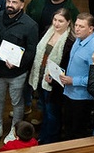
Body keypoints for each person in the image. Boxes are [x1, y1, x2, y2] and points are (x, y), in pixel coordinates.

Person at [0, 0, 38, 144]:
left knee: (17, 102)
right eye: (9, 1)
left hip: (17, 72)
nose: (10, 5)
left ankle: (14, 129)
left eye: (14, 2)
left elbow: (31, 51)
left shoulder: (30, 25)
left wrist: (18, 63)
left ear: (22, 5)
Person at [27, 8, 73, 144]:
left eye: (61, 21)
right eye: (55, 20)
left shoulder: (69, 41)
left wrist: (54, 79)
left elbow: (66, 66)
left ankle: (50, 140)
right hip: (41, 77)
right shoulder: (48, 31)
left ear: (68, 22)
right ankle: (43, 135)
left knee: (52, 113)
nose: (57, 24)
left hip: (55, 84)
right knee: (45, 111)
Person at [57, 13, 94, 141]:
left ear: (91, 29)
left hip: (81, 98)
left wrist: (74, 80)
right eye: (76, 25)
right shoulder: (78, 39)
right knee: (67, 126)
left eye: (81, 26)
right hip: (69, 92)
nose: (77, 29)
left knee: (77, 132)